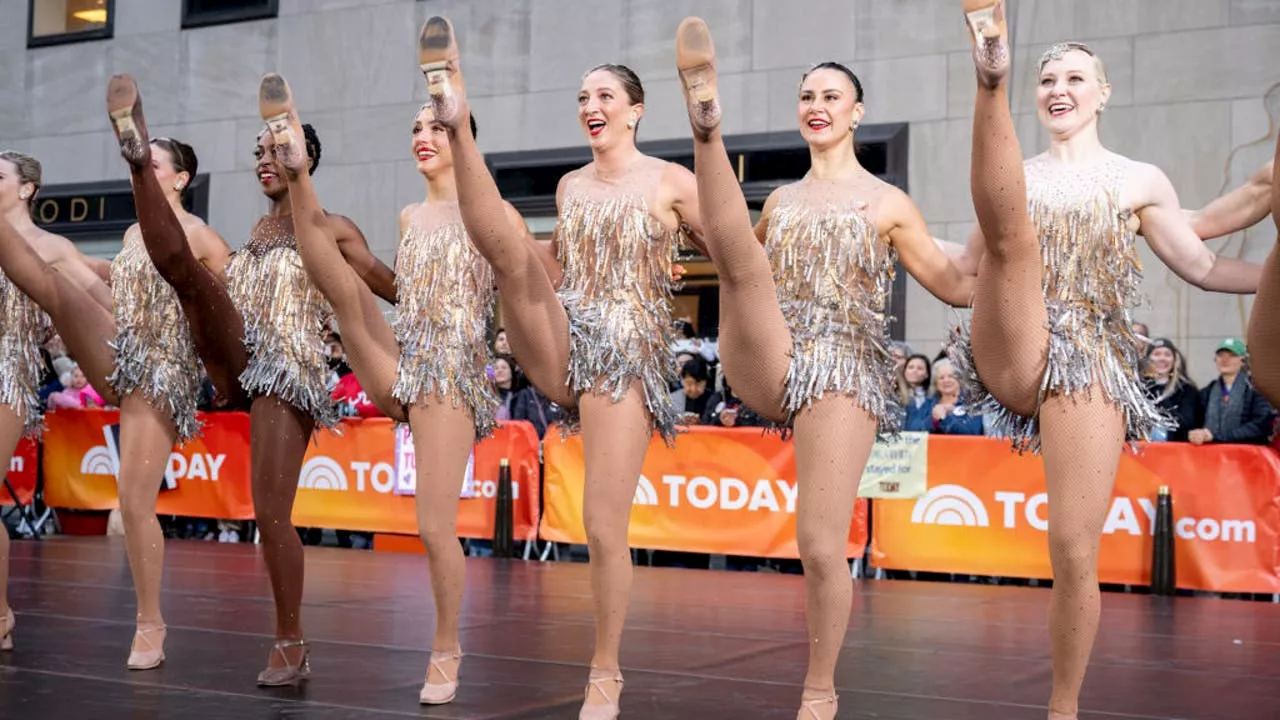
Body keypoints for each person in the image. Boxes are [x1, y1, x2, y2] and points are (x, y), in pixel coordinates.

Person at [947, 3, 1262, 718]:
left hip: (1087, 362)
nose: (1060, 88)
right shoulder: (1011, 177)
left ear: (1103, 93)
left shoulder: (1137, 178)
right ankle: (984, 78)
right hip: (1009, 342)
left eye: (1075, 78)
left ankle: (1064, 706)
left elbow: (1205, 265)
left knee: (1072, 547)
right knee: (1010, 235)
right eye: (1047, 77)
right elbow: (963, 275)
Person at [671, 17, 974, 718]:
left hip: (843, 372)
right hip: (777, 355)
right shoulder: (780, 201)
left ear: (856, 112)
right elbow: (744, 278)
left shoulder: (887, 202)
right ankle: (705, 124)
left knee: (815, 539)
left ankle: (820, 684)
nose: (817, 105)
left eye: (831, 96)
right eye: (808, 94)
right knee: (742, 259)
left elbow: (951, 283)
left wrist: (1006, 261)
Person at [414, 16, 705, 718]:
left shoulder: (670, 181)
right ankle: (456, 112)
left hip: (624, 359)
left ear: (635, 109)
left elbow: (732, 250)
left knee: (604, 527)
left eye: (603, 95)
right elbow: (550, 271)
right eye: (582, 98)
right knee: (512, 245)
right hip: (563, 340)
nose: (590, 106)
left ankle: (606, 669)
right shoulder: (572, 187)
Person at [103, 75, 394, 686]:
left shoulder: (332, 226)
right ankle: (138, 163)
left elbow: (381, 281)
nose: (264, 161)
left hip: (289, 373)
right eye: (258, 153)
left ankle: (291, 640)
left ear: (304, 158)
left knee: (270, 512)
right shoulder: (256, 235)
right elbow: (226, 299)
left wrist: (444, 313)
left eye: (276, 149)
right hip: (243, 360)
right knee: (187, 275)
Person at [256, 71, 500, 703]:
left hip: (452, 376)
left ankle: (446, 646)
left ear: (462, 137)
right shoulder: (411, 215)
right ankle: (300, 169)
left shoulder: (488, 209)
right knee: (342, 289)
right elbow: (393, 288)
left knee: (433, 525)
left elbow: (529, 280)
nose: (421, 137)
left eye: (435, 127)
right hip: (407, 362)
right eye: (415, 129)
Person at [102, 104, 239, 669]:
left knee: (134, 502)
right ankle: (147, 621)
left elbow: (232, 305)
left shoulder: (200, 235)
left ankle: (151, 625)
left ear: (180, 179)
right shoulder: (135, 230)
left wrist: (224, 365)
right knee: (129, 504)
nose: (144, 171)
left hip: (167, 368)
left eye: (154, 166)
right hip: (129, 367)